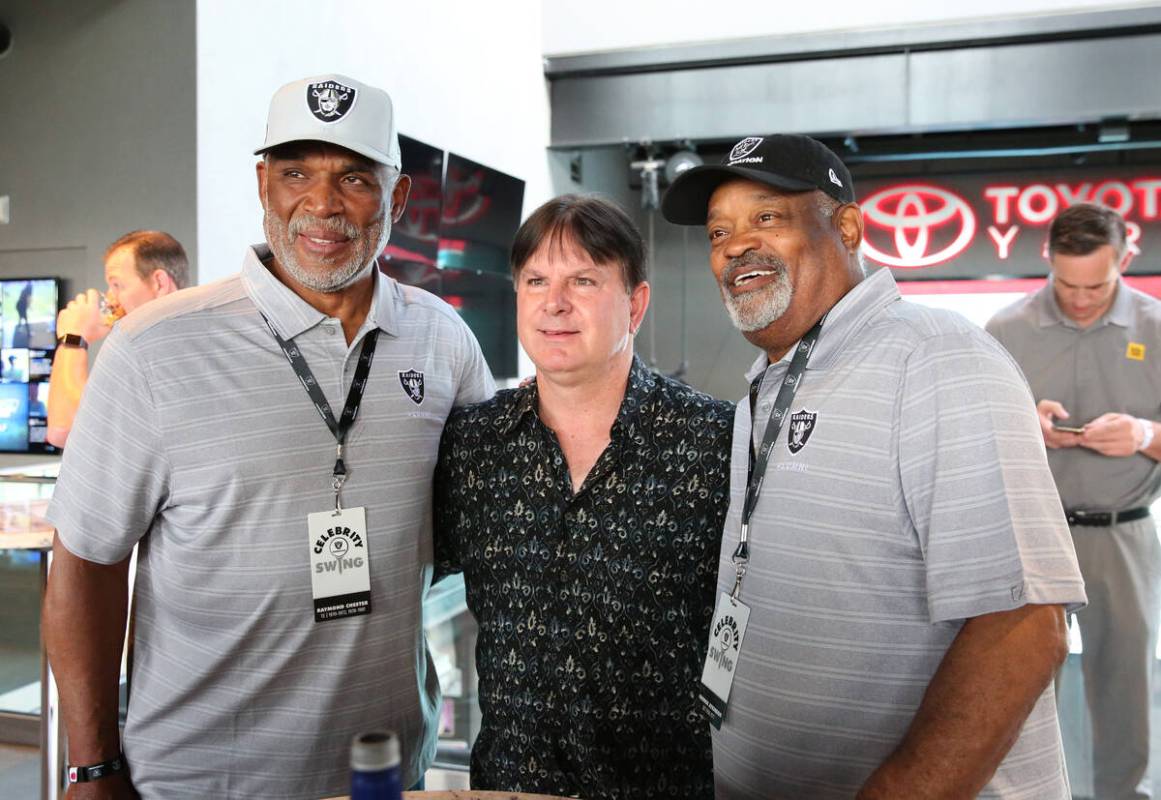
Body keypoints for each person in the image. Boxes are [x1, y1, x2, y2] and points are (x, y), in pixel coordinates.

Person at [42, 73, 494, 800]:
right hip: (199, 781)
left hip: (384, 773)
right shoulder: (155, 349)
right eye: (295, 173)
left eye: (353, 176)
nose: (322, 204)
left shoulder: (442, 343)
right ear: (262, 185)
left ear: (398, 197)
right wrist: (92, 765)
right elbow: (87, 561)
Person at [660, 134, 1088, 799]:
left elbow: (1023, 629)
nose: (735, 246)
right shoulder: (766, 387)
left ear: (848, 228)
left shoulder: (939, 360)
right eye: (719, 232)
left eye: (766, 218)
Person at [434, 194, 733, 799]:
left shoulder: (715, 442)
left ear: (636, 304)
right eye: (537, 280)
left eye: (585, 280)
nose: (555, 303)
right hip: (509, 786)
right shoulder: (473, 443)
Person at [987, 202, 1161, 800]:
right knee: (1022, 693)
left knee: (1128, 689)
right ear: (1047, 261)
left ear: (1126, 261)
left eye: (1097, 284)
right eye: (1067, 283)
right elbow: (967, 439)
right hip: (1032, 537)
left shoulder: (1157, 328)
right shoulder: (1004, 331)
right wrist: (1019, 424)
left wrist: (1145, 436)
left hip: (1125, 537)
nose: (1081, 299)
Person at [47, 230, 189, 448]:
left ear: (159, 283)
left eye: (117, 285)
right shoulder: (157, 347)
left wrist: (73, 337)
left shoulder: (168, 355)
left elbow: (65, 429)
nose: (112, 300)